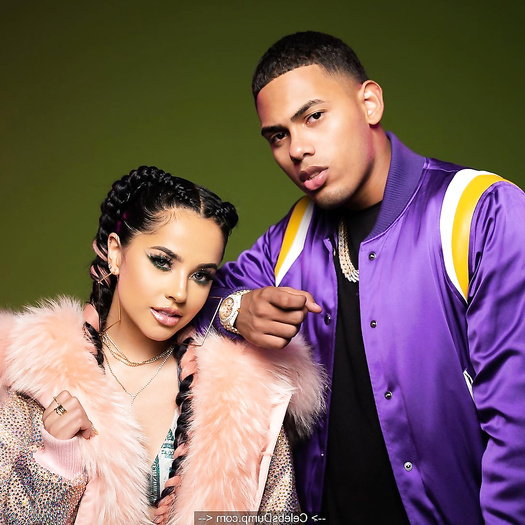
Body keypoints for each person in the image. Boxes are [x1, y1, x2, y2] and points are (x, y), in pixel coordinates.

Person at [200, 31, 525, 523]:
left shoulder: (480, 212)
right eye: (278, 136)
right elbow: (190, 297)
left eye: (313, 116)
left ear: (369, 103)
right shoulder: (294, 235)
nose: (297, 149)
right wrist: (236, 309)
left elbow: (516, 425)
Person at [0, 166, 324, 524]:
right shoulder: (34, 379)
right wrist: (55, 463)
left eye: (201, 275)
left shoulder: (242, 399)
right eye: (162, 262)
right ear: (115, 253)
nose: (180, 293)